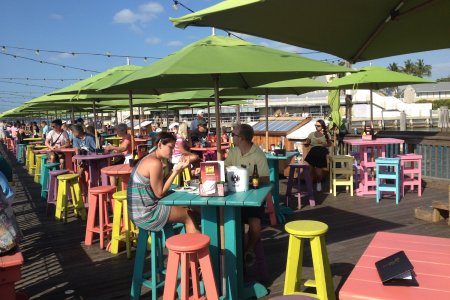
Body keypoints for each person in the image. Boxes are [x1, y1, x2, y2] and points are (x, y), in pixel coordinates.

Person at [127, 132, 199, 233]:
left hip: (137, 212)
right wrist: (175, 172)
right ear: (160, 145)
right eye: (170, 147)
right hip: (146, 214)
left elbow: (158, 188)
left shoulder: (147, 158)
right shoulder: (155, 163)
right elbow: (159, 193)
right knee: (189, 215)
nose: (173, 151)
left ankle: (188, 243)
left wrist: (175, 170)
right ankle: (196, 247)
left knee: (187, 207)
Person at [225, 124, 269, 267]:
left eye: (234, 134)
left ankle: (248, 250)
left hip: (252, 197)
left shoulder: (258, 154)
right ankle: (232, 253)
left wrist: (247, 179)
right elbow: (225, 171)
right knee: (226, 222)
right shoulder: (233, 152)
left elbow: (265, 179)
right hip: (232, 197)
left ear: (241, 138)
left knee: (255, 226)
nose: (232, 136)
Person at [304, 119, 332, 192]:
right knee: (309, 170)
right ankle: (310, 186)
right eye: (315, 125)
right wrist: (306, 144)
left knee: (318, 172)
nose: (316, 127)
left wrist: (324, 144)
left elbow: (330, 144)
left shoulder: (326, 134)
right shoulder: (311, 134)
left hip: (321, 152)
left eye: (318, 126)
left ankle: (318, 182)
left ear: (322, 126)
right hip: (313, 152)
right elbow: (307, 142)